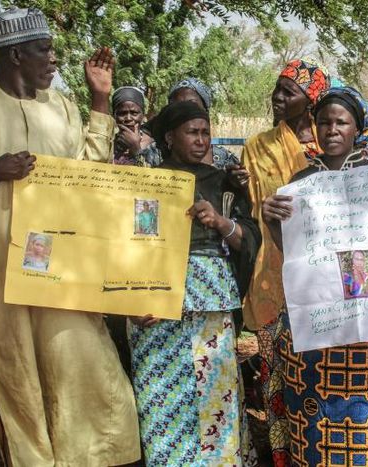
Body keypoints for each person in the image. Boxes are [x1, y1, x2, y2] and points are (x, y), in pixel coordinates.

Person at [0, 8, 140, 465]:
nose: (53, 59)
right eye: (44, 50)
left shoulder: (63, 107)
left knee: (83, 363)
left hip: (60, 271)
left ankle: (92, 456)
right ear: (16, 54)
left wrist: (100, 101)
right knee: (19, 376)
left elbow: (90, 169)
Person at [261, 86, 368, 465]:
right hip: (315, 311)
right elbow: (294, 251)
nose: (332, 129)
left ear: (358, 128)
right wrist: (272, 220)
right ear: (314, 128)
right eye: (324, 122)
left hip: (363, 313)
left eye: (342, 122)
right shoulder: (301, 182)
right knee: (311, 409)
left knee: (364, 410)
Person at [130, 100, 261, 465]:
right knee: (161, 396)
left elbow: (250, 238)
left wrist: (220, 223)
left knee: (213, 393)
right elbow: (128, 244)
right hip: (156, 301)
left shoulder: (226, 183)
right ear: (169, 137)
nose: (202, 140)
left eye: (206, 132)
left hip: (211, 301)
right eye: (192, 132)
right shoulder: (146, 182)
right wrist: (139, 296)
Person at [240, 58, 330, 465]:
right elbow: (253, 209)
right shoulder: (258, 145)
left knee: (318, 371)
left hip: (322, 276)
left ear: (310, 101)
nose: (277, 98)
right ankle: (283, 455)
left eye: (288, 92)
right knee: (277, 377)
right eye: (276, 90)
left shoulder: (331, 144)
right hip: (272, 274)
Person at [112, 86, 160, 166]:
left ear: (142, 115)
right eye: (122, 113)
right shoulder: (108, 144)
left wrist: (136, 149)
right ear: (114, 116)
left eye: (134, 113)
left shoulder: (155, 146)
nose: (128, 118)